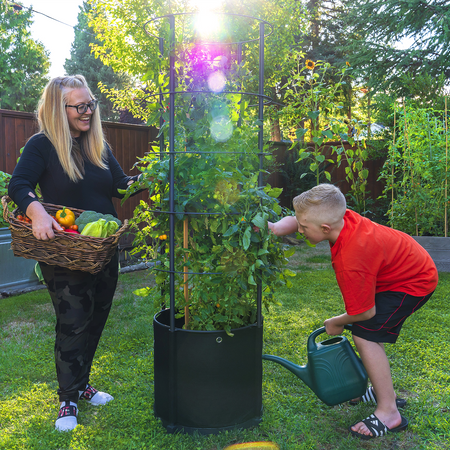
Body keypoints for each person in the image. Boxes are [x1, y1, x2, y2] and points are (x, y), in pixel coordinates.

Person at [8, 75, 142, 432]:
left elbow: (119, 185)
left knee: (96, 318)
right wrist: (36, 213)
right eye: (79, 106)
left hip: (101, 249)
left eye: (90, 104)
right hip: (64, 251)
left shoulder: (98, 146)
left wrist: (151, 176)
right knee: (73, 322)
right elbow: (18, 184)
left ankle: (82, 385)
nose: (88, 111)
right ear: (58, 108)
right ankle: (67, 398)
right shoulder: (43, 145)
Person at [268, 183, 438, 440]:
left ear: (325, 229)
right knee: (364, 331)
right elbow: (306, 217)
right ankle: (382, 394)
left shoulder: (351, 260)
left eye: (302, 228)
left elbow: (366, 312)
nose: (299, 229)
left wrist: (335, 321)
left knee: (365, 335)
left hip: (413, 282)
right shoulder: (340, 218)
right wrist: (277, 227)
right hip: (402, 269)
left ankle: (389, 412)